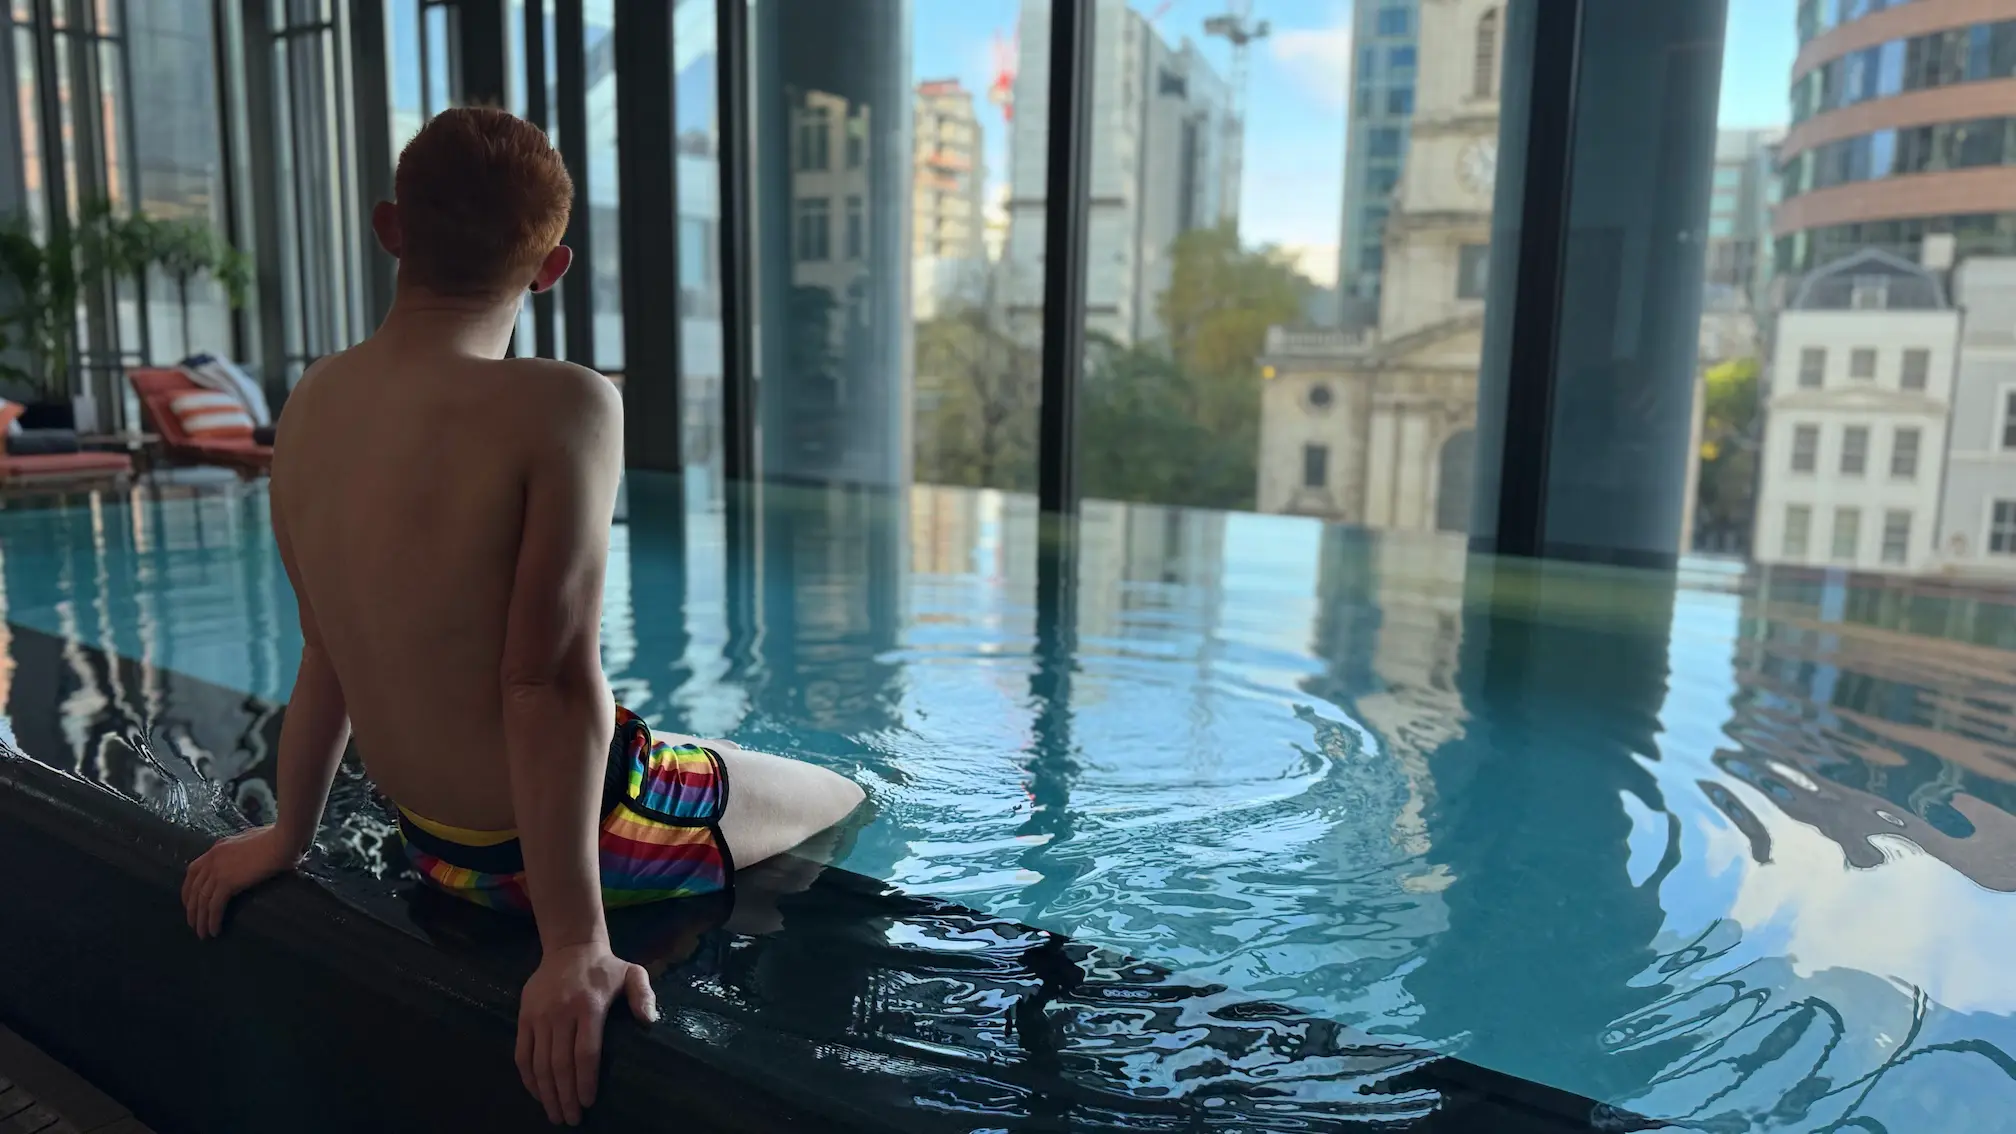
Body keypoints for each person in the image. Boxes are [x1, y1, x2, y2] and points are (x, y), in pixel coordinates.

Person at [178, 107, 865, 1126]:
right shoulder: (567, 405)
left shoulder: (315, 402)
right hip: (590, 837)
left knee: (694, 750)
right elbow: (542, 681)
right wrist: (575, 944)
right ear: (552, 266)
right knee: (850, 794)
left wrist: (289, 835)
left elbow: (325, 648)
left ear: (388, 229)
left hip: (435, 848)